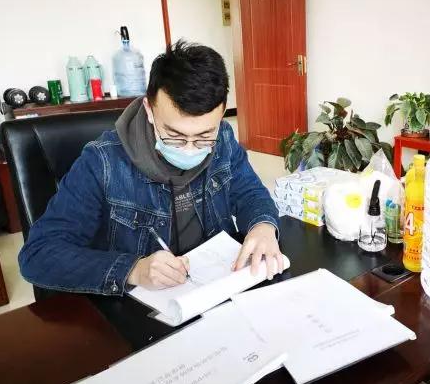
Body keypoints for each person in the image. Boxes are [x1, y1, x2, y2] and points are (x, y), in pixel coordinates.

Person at [19, 40, 284, 295]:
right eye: (174, 136)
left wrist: (262, 225)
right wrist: (134, 270)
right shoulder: (102, 162)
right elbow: (38, 255)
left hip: (211, 285)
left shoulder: (223, 137)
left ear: (223, 112)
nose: (189, 149)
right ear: (149, 108)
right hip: (140, 303)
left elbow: (250, 192)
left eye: (204, 136)